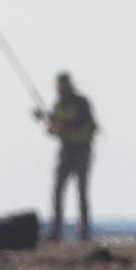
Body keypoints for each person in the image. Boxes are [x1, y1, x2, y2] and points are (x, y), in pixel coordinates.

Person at [36, 72, 98, 242]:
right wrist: (47, 122)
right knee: (58, 192)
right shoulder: (58, 105)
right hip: (66, 150)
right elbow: (54, 131)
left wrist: (57, 123)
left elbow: (78, 123)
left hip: (82, 150)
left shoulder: (81, 103)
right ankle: (55, 234)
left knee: (82, 193)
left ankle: (84, 235)